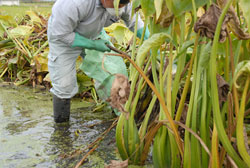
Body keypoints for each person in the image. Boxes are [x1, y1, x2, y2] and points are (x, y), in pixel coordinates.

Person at [47, 0, 148, 123]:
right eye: (117, 4)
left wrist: (151, 40)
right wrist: (93, 45)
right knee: (64, 85)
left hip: (94, 33)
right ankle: (61, 129)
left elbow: (135, 22)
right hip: (64, 38)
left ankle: (122, 118)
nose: (120, 8)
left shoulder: (122, 2)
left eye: (123, 5)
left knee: (115, 71)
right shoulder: (74, 3)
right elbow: (61, 34)